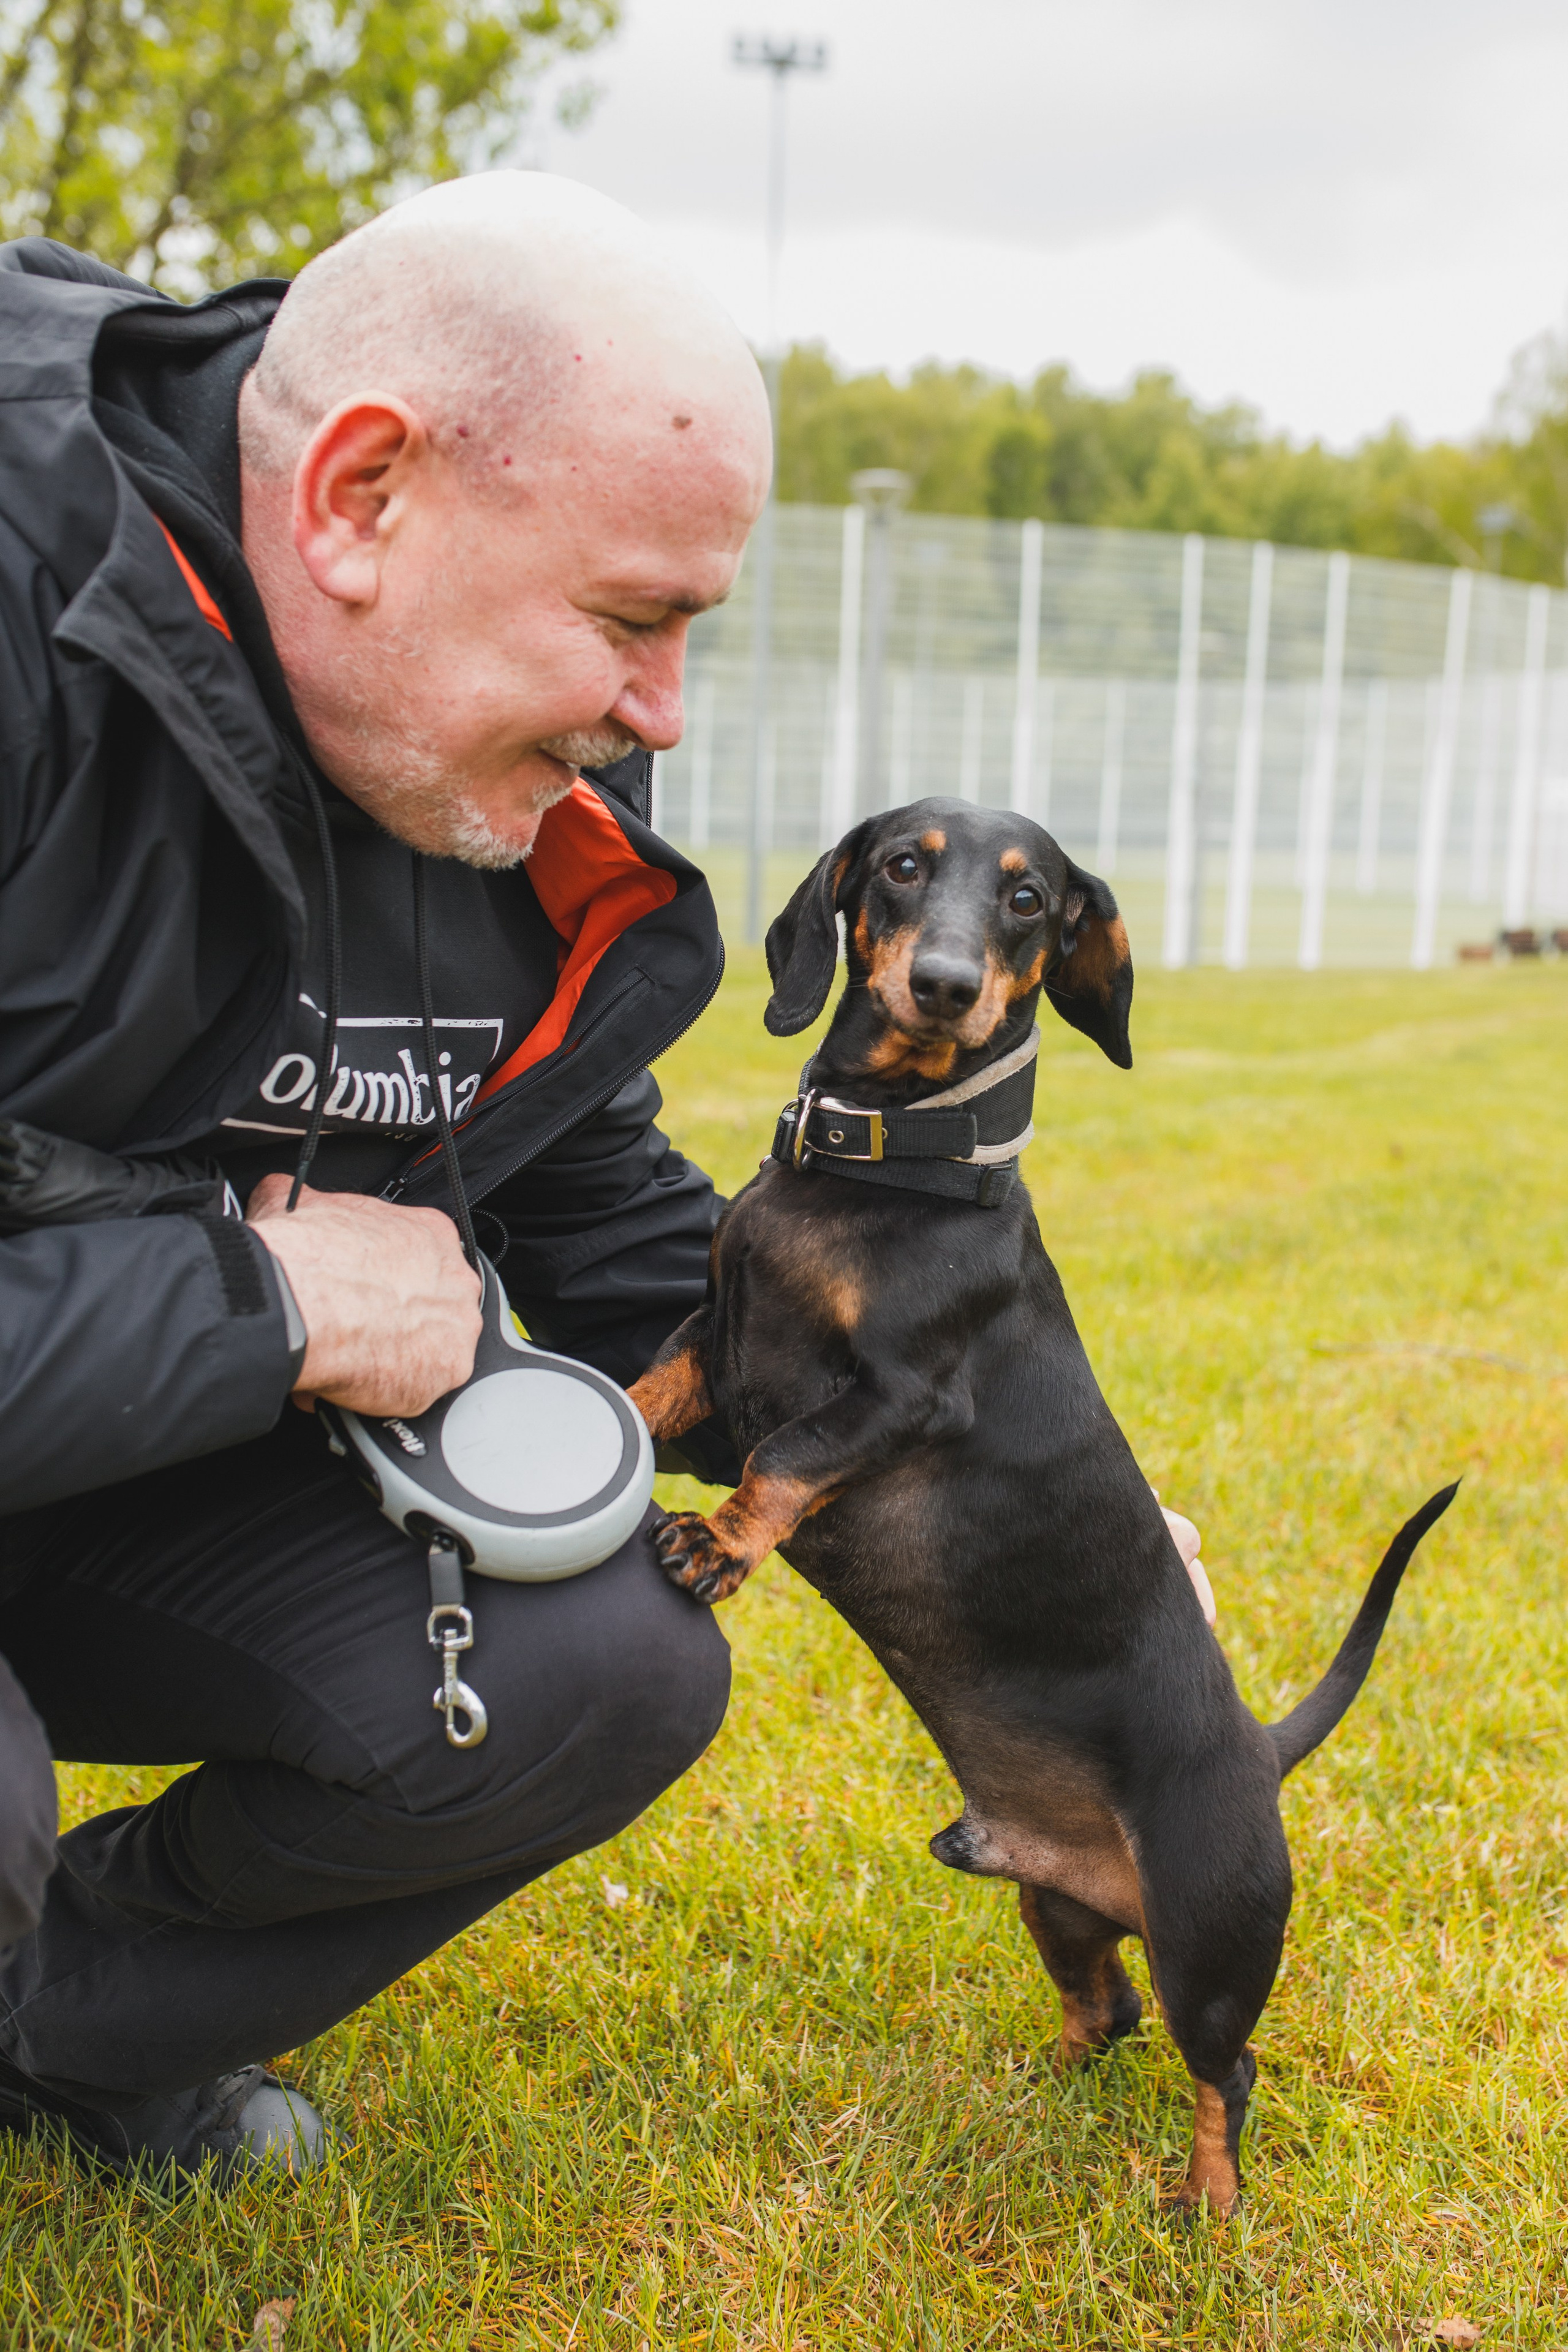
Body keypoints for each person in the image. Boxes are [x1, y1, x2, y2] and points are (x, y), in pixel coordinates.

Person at [0, 170, 1211, 2182]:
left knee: (600, 1665)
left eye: (688, 630)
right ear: (362, 499)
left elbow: (588, 1189)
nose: (659, 713)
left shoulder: (487, 740)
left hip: (109, 1472)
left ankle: (63, 2034)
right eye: (631, 624)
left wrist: (1020, 1502)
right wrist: (271, 1299)